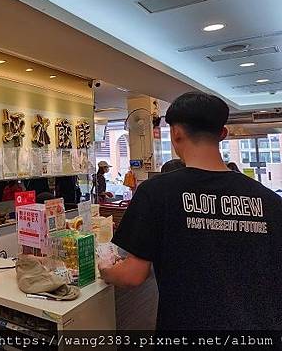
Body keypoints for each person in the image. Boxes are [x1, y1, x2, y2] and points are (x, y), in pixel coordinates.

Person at [99, 92, 282, 330]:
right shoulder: (270, 201)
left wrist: (106, 271)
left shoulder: (156, 193)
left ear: (175, 134)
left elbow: (132, 275)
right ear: (223, 134)